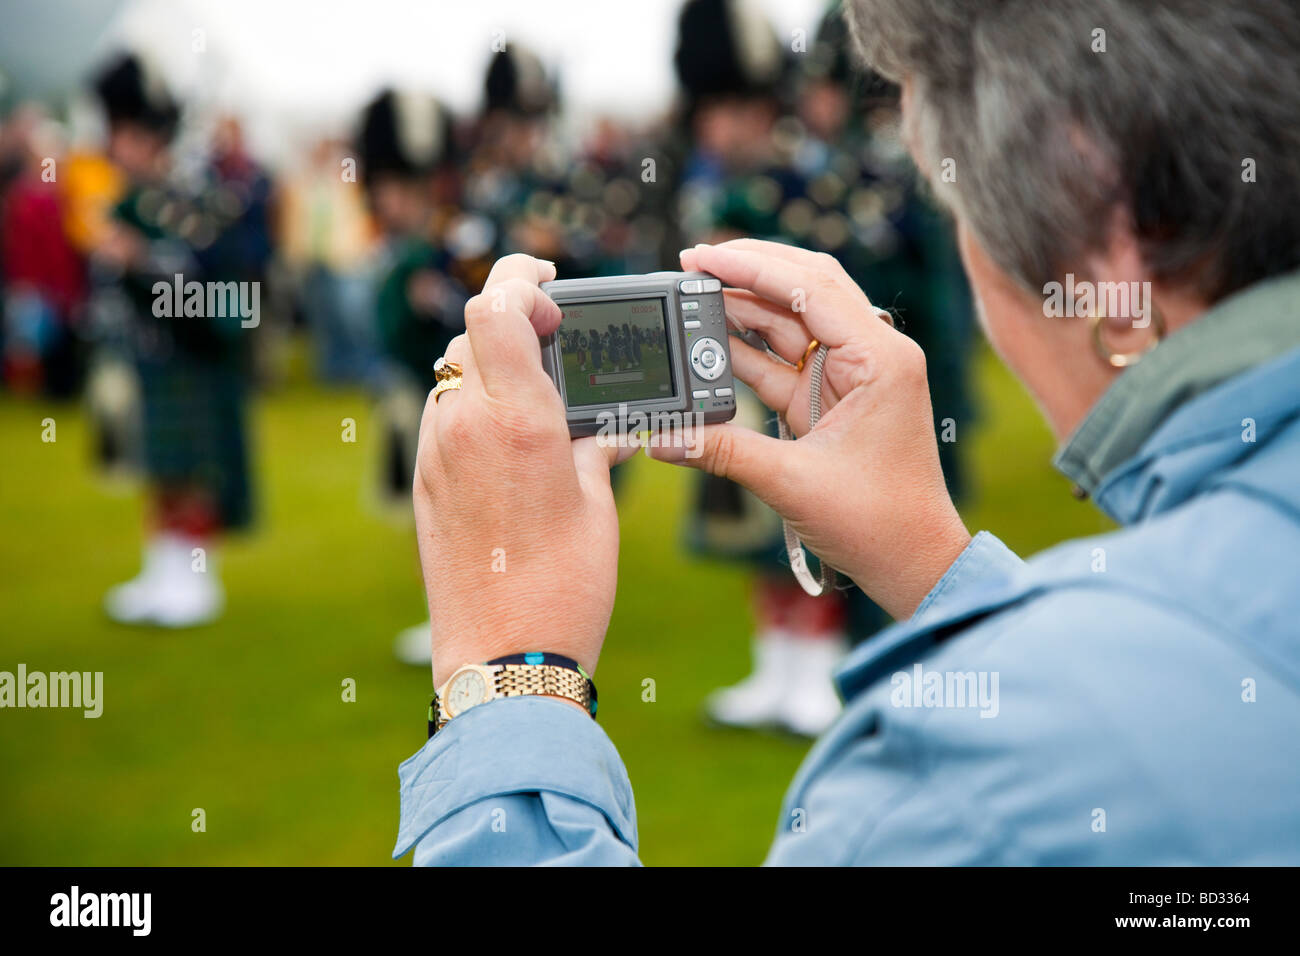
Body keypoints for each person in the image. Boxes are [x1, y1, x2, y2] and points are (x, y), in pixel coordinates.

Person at [394, 0, 1300, 865]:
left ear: (1111, 247)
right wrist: (934, 567)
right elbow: (1163, 688)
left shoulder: (962, 792)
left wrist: (504, 675)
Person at [95, 53, 267, 629]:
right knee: (160, 470)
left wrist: (139, 262)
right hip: (148, 355)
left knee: (193, 470)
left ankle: (196, 581)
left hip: (196, 356)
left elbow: (220, 293)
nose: (115, 146)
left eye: (124, 134)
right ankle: (160, 573)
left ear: (149, 136)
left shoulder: (195, 197)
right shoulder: (128, 200)